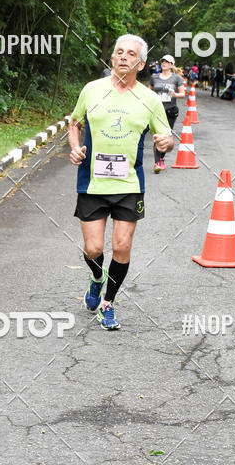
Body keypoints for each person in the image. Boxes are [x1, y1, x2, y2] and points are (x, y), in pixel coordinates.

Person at [68, 35, 174, 331]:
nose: (123, 57)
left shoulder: (149, 99)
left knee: (122, 246)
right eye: (119, 52)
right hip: (92, 183)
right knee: (93, 249)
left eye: (131, 54)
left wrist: (166, 143)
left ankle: (107, 304)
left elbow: (164, 138)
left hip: (129, 183)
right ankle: (97, 277)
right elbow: (74, 123)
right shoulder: (92, 90)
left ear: (140, 64)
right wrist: (74, 146)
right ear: (112, 59)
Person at [149, 54, 184, 173]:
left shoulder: (176, 78)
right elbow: (149, 92)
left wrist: (175, 95)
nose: (164, 63)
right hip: (157, 111)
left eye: (167, 62)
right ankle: (157, 163)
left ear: (171, 65)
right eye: (162, 61)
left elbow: (183, 94)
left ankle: (162, 158)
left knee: (166, 136)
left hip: (170, 110)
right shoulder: (154, 77)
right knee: (159, 136)